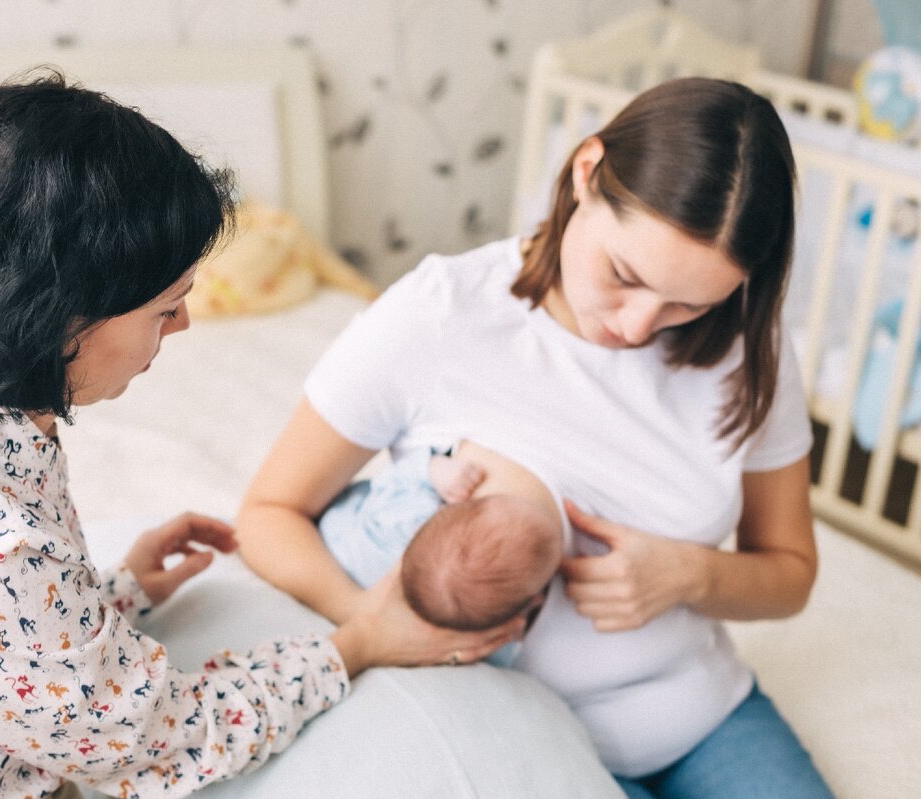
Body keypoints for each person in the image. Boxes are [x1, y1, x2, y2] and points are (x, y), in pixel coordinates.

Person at [0, 71, 531, 799]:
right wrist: (359, 643)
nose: (186, 324)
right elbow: (155, 740)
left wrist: (120, 590)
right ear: (60, 315)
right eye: (166, 309)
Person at [236, 77, 836, 798]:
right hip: (512, 723)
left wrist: (691, 574)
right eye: (624, 274)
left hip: (700, 714)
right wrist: (372, 623)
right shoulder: (439, 315)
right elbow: (268, 513)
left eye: (686, 303)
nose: (638, 326)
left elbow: (790, 571)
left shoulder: (748, 340)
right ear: (587, 171)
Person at [318, 441, 562, 634]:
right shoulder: (493, 634)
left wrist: (434, 469)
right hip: (337, 536)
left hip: (339, 538)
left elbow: (392, 481)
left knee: (380, 501)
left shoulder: (406, 515)